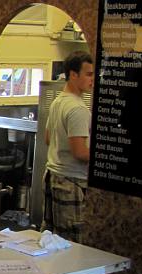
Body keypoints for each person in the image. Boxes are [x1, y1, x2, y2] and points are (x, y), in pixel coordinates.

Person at [44, 51, 94, 242]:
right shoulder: (78, 109)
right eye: (88, 74)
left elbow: (49, 138)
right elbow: (80, 152)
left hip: (53, 177)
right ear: (74, 75)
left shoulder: (58, 102)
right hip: (71, 182)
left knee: (51, 240)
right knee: (70, 244)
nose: (92, 79)